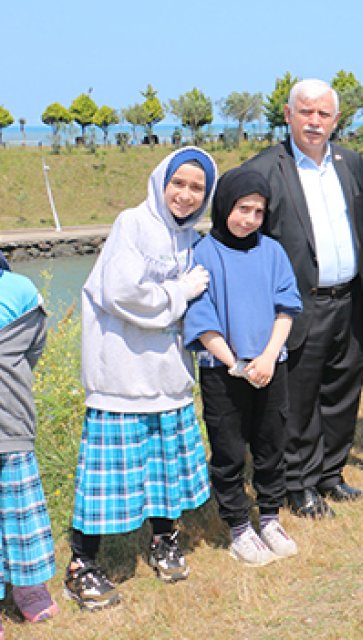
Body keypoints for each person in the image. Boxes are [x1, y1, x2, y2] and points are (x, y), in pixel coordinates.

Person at [241, 79, 363, 518]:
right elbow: (247, 242)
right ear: (288, 114)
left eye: (323, 115)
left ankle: (331, 474)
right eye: (306, 112)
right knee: (299, 398)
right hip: (299, 305)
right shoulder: (264, 169)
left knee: (341, 389)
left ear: (336, 120)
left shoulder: (349, 162)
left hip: (350, 299)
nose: (315, 122)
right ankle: (298, 484)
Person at [66, 147, 217, 609]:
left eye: (198, 188)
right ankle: (81, 564)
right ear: (160, 181)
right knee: (107, 476)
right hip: (122, 372)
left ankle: (164, 540)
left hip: (167, 374)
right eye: (179, 183)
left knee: (164, 467)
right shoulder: (132, 224)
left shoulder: (190, 238)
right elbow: (121, 293)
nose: (187, 195)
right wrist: (181, 290)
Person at [184, 167, 302, 567]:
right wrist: (236, 363)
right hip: (223, 371)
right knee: (229, 449)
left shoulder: (272, 251)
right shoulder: (202, 254)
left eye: (257, 211)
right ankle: (237, 524)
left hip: (271, 366)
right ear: (223, 206)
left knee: (271, 444)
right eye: (241, 209)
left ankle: (269, 516)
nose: (249, 219)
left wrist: (268, 357)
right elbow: (201, 321)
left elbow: (287, 308)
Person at [0, 256, 59, 629]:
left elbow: (33, 349)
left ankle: (27, 582)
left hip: (11, 420)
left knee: (20, 509)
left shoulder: (20, 289)